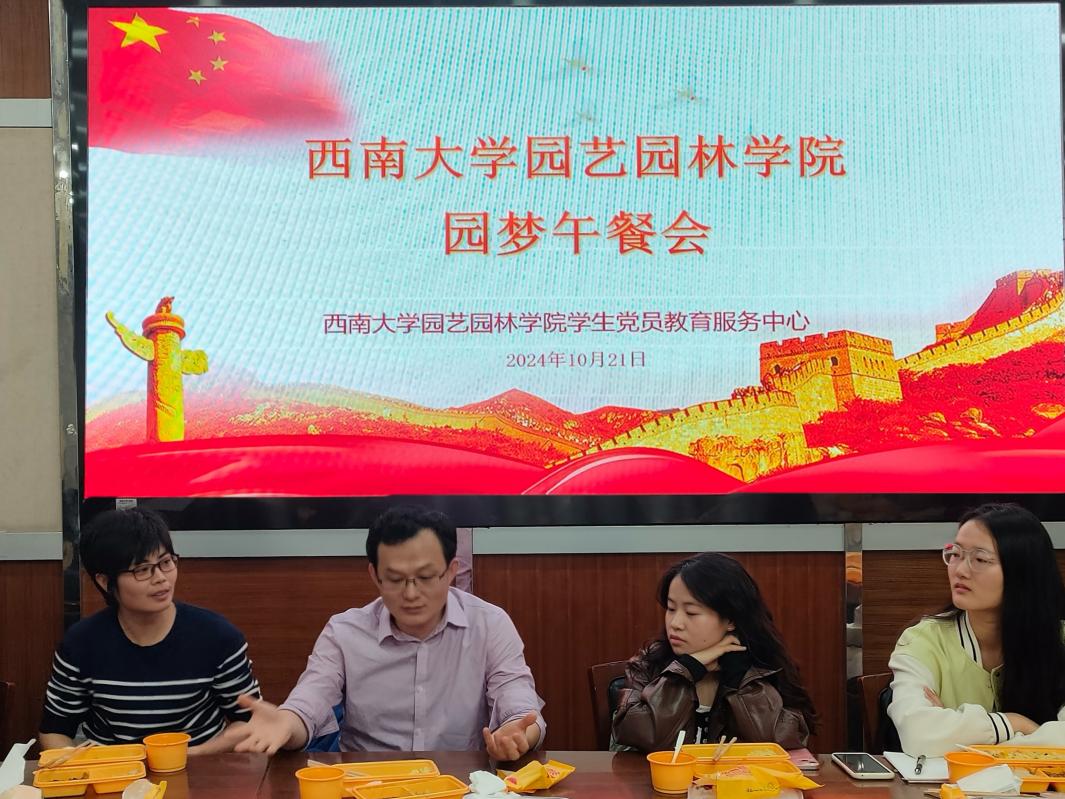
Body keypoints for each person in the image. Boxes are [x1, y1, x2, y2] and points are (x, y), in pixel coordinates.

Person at [230, 505, 545, 758]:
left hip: (458, 783)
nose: (411, 593)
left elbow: (518, 704)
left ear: (451, 571)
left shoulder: (490, 624)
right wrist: (287, 722)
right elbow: (310, 699)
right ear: (375, 575)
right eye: (395, 579)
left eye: (425, 577)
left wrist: (517, 734)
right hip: (365, 785)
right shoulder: (345, 632)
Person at [39, 508, 261, 753]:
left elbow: (251, 721)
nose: (161, 578)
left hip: (197, 766)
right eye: (142, 569)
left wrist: (190, 756)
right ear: (104, 581)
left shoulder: (218, 636)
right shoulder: (81, 643)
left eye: (165, 562)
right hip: (113, 768)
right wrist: (79, 766)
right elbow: (55, 730)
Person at [888, 503, 1065, 756]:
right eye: (956, 554)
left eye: (980, 559)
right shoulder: (923, 641)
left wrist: (957, 730)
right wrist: (1017, 723)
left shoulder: (1058, 639)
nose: (960, 570)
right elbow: (920, 735)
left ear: (1023, 572)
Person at [612, 552, 815, 752]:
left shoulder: (762, 669)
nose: (675, 623)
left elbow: (774, 745)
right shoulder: (648, 664)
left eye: (691, 612)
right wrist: (687, 670)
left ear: (731, 620)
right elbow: (646, 737)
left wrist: (738, 675)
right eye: (671, 609)